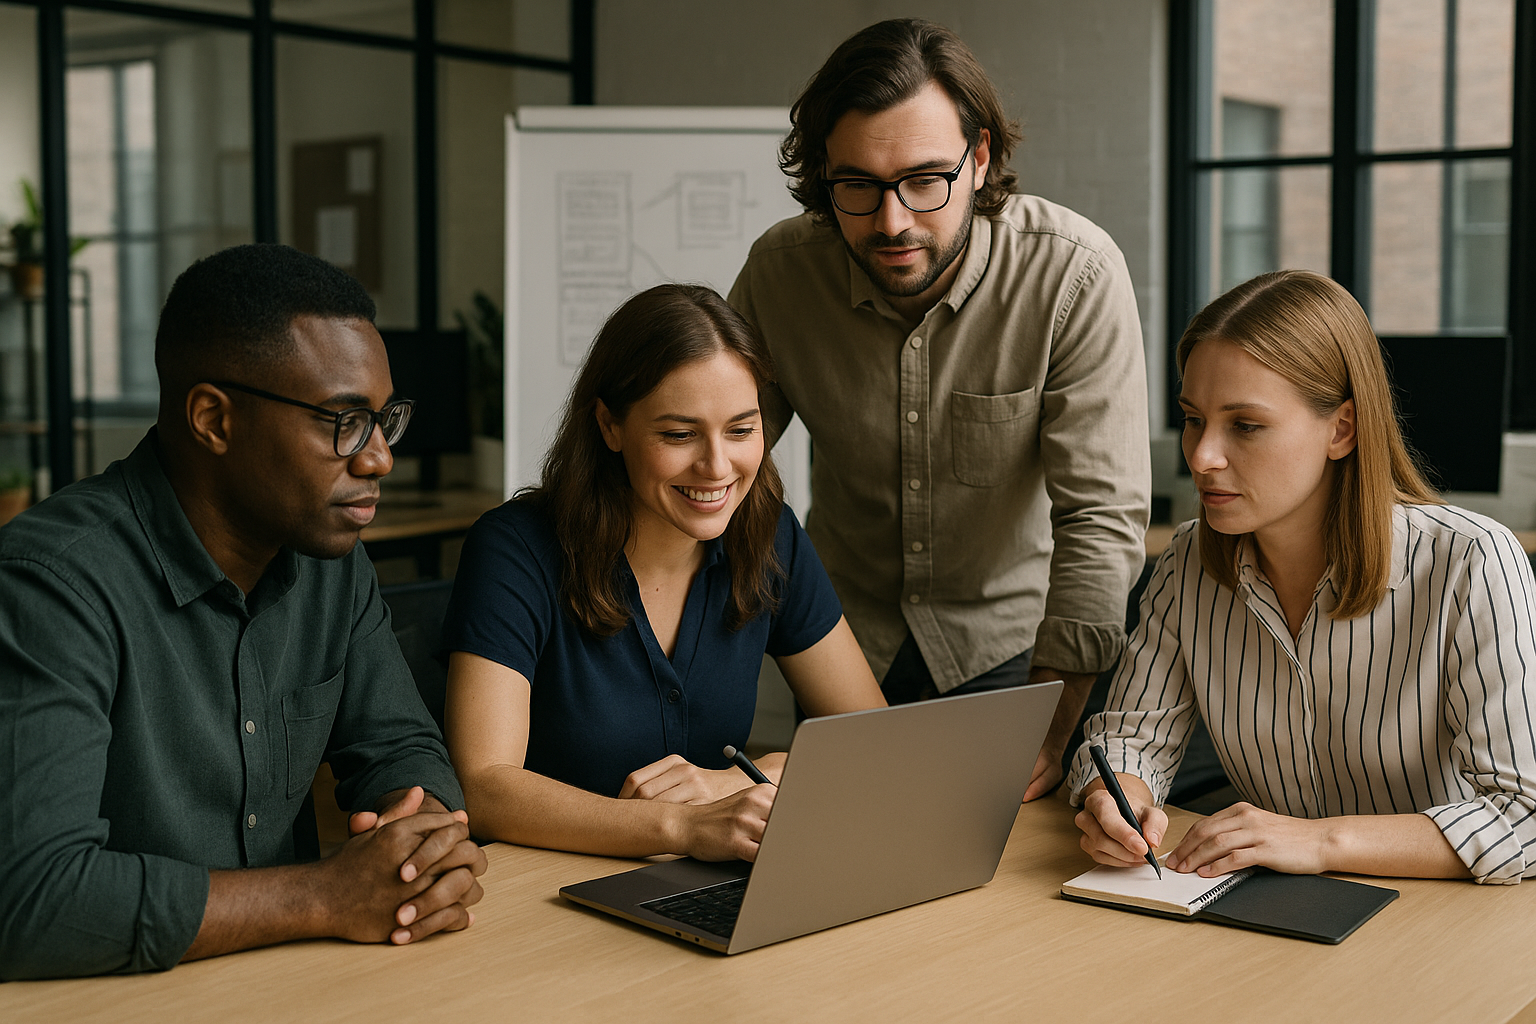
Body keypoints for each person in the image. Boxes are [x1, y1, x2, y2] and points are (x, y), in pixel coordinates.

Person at [0, 244, 487, 980]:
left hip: (289, 983)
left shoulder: (332, 562)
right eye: (345, 421)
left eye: (385, 419)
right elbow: (32, 899)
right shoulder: (49, 586)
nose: (381, 457)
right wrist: (324, 896)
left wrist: (417, 837)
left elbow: (401, 751)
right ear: (212, 419)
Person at [728, 19, 1150, 800]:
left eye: (925, 181)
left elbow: (1100, 517)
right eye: (856, 185)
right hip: (839, 643)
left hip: (1014, 656)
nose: (891, 222)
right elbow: (723, 456)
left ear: (979, 156)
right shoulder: (781, 273)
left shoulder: (1073, 275)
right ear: (823, 174)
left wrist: (1052, 728)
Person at [1070, 269, 1536, 884]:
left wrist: (1316, 842)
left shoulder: (1472, 562)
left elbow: (1522, 819)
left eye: (1245, 425)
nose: (1202, 457)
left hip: (1434, 918)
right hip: (1268, 905)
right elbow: (1129, 741)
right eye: (1192, 419)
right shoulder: (1188, 562)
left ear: (1340, 429)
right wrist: (1116, 800)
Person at [441, 284, 885, 862]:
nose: (717, 467)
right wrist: (682, 829)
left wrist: (744, 780)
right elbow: (485, 787)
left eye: (742, 429)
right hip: (539, 893)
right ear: (609, 426)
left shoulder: (770, 533)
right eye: (679, 435)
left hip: (693, 885)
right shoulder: (515, 549)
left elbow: (873, 739)